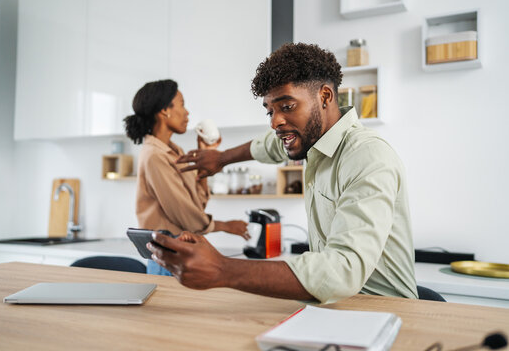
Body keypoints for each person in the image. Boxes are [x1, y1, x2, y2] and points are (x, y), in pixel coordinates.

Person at [146, 43, 418, 303]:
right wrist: (222, 158)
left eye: (287, 107)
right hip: (337, 307)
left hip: (386, 310)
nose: (275, 121)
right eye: (270, 111)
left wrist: (222, 269)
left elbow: (343, 270)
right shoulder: (313, 142)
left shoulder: (365, 155)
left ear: (325, 96)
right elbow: (269, 146)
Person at [124, 79, 249, 275]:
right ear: (165, 110)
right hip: (166, 255)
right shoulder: (154, 155)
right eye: (182, 104)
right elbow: (184, 214)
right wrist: (224, 226)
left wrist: (204, 159)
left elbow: (196, 204)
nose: (187, 112)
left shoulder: (174, 152)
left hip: (179, 251)